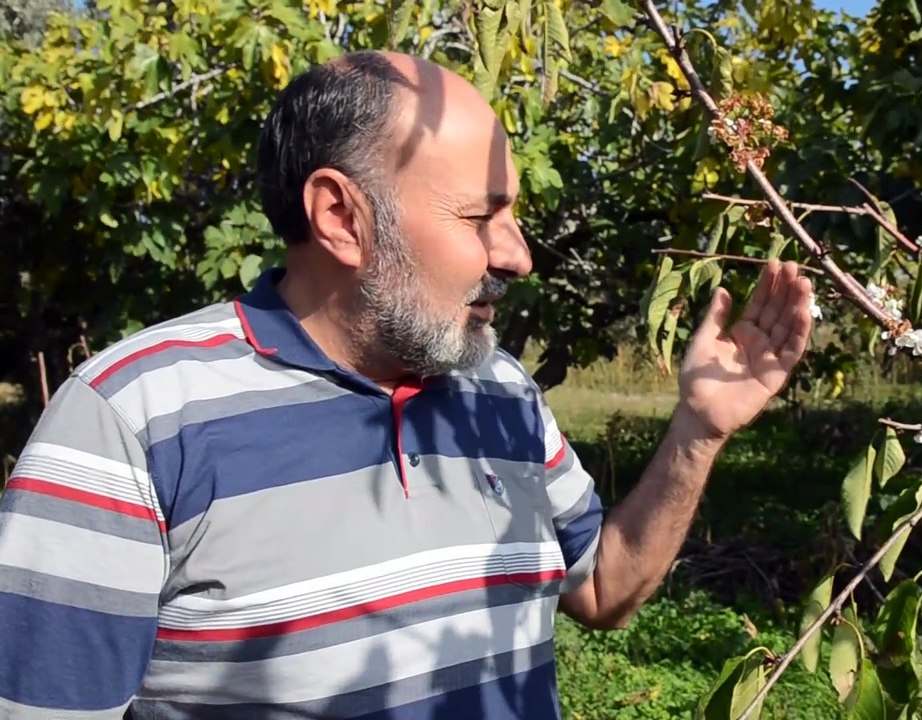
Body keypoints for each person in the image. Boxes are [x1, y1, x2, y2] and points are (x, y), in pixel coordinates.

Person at [0, 51, 814, 719]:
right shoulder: (134, 421)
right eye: (480, 217)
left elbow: (604, 589)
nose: (518, 254)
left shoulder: (501, 394)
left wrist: (698, 430)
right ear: (341, 217)